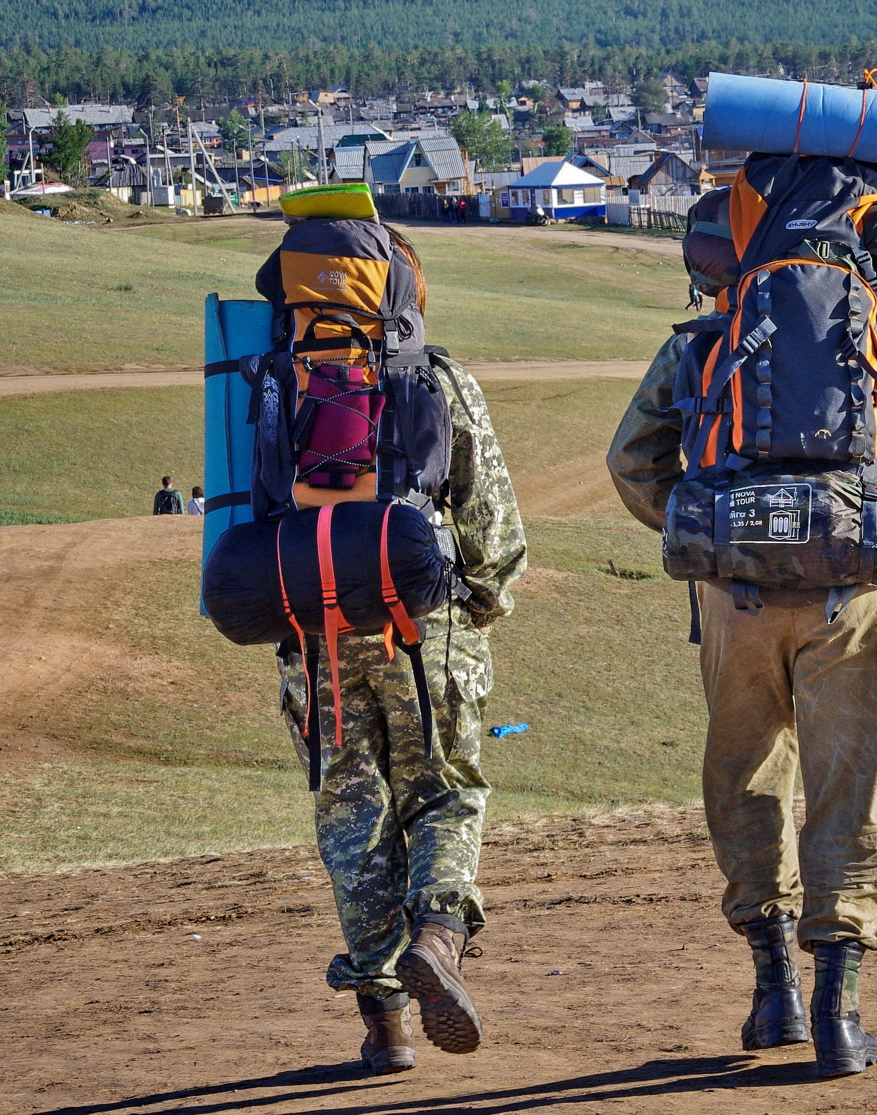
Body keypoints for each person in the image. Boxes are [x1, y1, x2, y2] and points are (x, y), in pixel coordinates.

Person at [606, 171, 877, 1077]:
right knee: (847, 782)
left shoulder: (705, 341)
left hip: (732, 598)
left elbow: (632, 460)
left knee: (746, 775)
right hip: (852, 593)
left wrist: (707, 525)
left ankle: (771, 990)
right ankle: (841, 1015)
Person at [266, 226, 527, 1075]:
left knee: (352, 819)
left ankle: (385, 1028)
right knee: (445, 794)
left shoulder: (269, 380)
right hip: (425, 630)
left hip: (313, 636)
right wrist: (479, 608)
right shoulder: (435, 378)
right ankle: (440, 937)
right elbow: (494, 525)